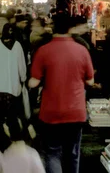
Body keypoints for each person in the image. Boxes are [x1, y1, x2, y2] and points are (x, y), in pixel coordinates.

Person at [29, 13, 94, 173]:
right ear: (70, 29)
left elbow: (33, 82)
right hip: (76, 111)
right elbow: (90, 81)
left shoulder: (43, 51)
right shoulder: (82, 50)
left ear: (52, 28)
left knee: (53, 153)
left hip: (51, 111)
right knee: (73, 154)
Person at [0, 24, 27, 138]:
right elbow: (22, 66)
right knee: (11, 113)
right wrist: (23, 78)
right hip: (12, 87)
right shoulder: (17, 45)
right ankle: (12, 136)